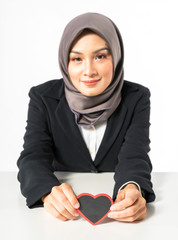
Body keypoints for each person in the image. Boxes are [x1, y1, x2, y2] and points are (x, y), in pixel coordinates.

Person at [17, 12, 155, 223]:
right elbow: (33, 157)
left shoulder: (136, 98)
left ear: (116, 57)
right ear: (65, 61)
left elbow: (135, 155)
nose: (88, 71)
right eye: (77, 59)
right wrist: (47, 191)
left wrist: (132, 187)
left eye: (100, 56)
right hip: (60, 224)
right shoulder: (43, 98)